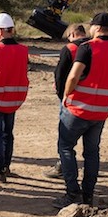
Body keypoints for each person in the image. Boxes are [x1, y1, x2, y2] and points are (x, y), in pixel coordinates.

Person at [54, 12, 108, 208]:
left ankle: (72, 194)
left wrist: (66, 95)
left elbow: (73, 77)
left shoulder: (87, 48)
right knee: (92, 153)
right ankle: (88, 196)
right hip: (101, 112)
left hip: (77, 109)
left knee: (65, 148)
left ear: (96, 27)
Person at [0, 12, 29, 182]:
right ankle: (6, 167)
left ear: (0, 31)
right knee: (8, 133)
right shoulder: (23, 50)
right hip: (14, 100)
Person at [45, 24, 88, 179]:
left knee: (65, 141)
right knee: (90, 145)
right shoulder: (93, 47)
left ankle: (63, 167)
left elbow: (60, 75)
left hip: (71, 99)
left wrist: (61, 95)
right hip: (93, 100)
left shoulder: (69, 49)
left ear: (72, 34)